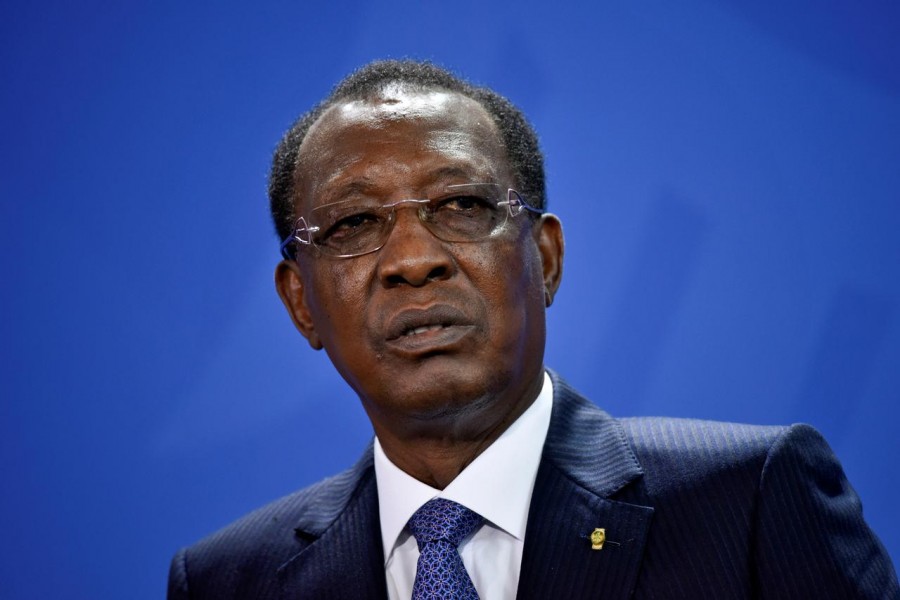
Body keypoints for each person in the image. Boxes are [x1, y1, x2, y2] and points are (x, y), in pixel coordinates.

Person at [167, 60, 898, 599]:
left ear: (544, 259)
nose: (414, 260)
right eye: (355, 223)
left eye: (460, 205)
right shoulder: (229, 581)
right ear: (301, 303)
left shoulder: (750, 503)